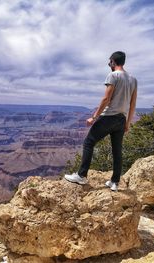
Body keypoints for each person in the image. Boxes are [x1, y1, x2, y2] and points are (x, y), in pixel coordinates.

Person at [64, 51, 137, 191]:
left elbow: (106, 99)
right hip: (121, 119)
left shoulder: (113, 75)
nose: (109, 64)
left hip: (108, 117)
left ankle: (81, 176)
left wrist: (94, 117)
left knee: (88, 143)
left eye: (110, 62)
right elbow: (133, 104)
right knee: (117, 150)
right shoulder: (133, 79)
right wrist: (127, 123)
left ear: (113, 62)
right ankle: (115, 182)